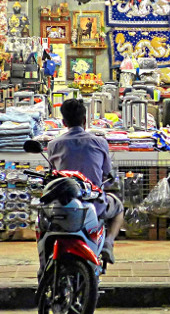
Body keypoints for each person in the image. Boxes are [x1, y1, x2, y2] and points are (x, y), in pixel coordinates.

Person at [48, 99, 123, 264]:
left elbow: (52, 174)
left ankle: (43, 267)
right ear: (85, 121)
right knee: (118, 207)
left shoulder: (54, 144)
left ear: (63, 122)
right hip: (94, 203)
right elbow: (107, 174)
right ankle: (108, 243)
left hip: (64, 204)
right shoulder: (99, 142)